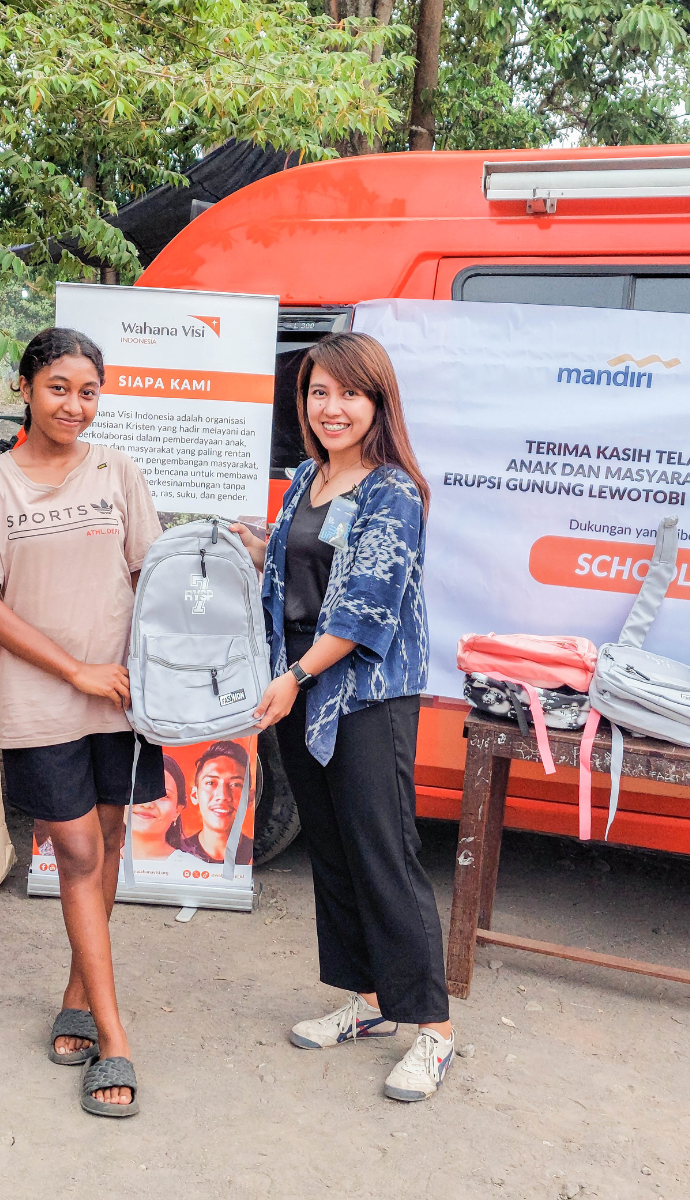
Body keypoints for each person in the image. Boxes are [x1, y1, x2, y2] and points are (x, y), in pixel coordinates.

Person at [231, 331, 454, 1104]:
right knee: (330, 846)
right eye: (318, 392)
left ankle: (433, 1029)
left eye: (348, 394)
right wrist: (260, 547)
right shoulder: (307, 478)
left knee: (383, 851)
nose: (331, 408)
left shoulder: (392, 490)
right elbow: (306, 568)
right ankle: (365, 1002)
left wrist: (294, 676)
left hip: (360, 695)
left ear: (377, 402)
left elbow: (367, 605)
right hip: (295, 684)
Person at [0, 327, 161, 1118]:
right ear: (27, 390)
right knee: (73, 849)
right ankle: (115, 1035)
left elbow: (149, 572)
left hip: (123, 692)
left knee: (105, 843)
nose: (75, 404)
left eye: (89, 390)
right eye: (59, 387)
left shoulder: (118, 472)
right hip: (44, 696)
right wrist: (75, 670)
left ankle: (76, 992)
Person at [176, 740, 254, 867]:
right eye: (211, 783)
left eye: (235, 784)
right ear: (195, 795)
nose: (223, 796)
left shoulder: (254, 853)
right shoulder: (176, 853)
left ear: (250, 798)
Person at [129, 755, 187, 860]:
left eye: (163, 795)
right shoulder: (99, 861)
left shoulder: (193, 868)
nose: (147, 804)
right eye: (137, 790)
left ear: (177, 811)